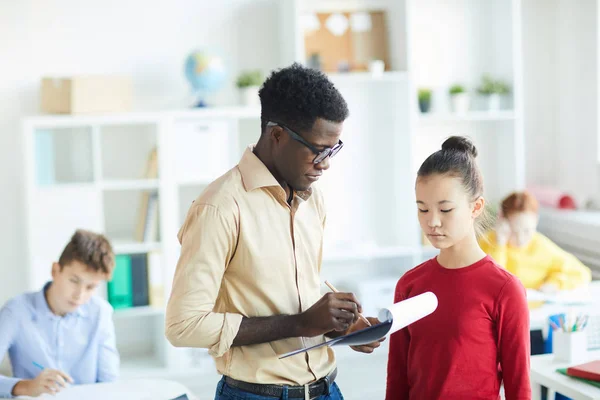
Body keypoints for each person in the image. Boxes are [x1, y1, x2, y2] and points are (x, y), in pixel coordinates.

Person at [165, 63, 383, 400]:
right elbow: (183, 325)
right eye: (318, 150)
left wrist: (337, 326)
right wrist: (300, 324)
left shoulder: (313, 200)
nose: (325, 163)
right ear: (277, 135)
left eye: (333, 149)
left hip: (327, 388)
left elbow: (299, 297)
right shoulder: (219, 207)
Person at [386, 136, 531, 400]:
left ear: (476, 207)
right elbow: (397, 379)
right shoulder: (409, 285)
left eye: (445, 209)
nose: (432, 222)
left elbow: (519, 387)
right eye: (422, 209)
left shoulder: (505, 289)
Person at [0, 229, 119, 397]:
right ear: (55, 271)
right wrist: (26, 387)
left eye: (90, 287)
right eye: (74, 281)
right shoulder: (16, 311)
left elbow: (110, 383)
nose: (79, 295)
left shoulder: (101, 313)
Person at [479, 191, 592, 293]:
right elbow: (493, 284)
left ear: (536, 222)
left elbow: (582, 273)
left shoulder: (540, 245)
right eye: (514, 231)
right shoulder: (486, 242)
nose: (520, 238)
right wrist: (500, 244)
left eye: (527, 231)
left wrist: (555, 283)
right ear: (501, 220)